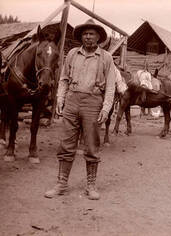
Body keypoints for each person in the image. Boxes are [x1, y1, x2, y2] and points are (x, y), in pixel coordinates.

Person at [45, 19, 117, 200]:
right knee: (66, 143)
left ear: (99, 37)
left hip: (93, 102)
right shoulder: (71, 54)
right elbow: (63, 79)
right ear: (81, 37)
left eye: (92, 34)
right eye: (85, 34)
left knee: (92, 145)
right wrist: (60, 99)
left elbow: (110, 86)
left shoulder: (106, 58)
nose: (88, 37)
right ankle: (61, 183)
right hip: (72, 101)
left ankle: (91, 186)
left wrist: (106, 108)